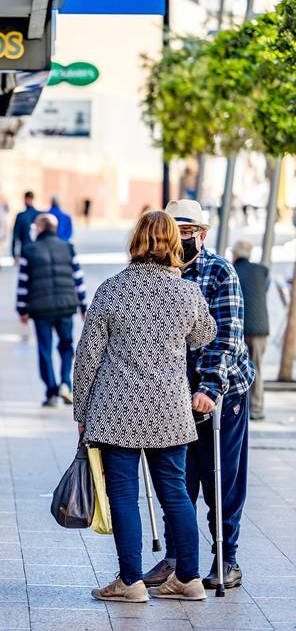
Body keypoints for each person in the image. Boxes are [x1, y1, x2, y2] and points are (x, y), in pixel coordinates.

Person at [74, 211, 215, 604]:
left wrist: (81, 414)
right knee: (176, 493)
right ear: (176, 244)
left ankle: (131, 582)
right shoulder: (186, 292)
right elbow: (205, 334)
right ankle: (189, 578)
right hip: (169, 409)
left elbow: (87, 357)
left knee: (123, 493)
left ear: (135, 240)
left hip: (116, 408)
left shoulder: (112, 289)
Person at [143, 199, 255, 591]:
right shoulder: (158, 275)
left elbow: (225, 339)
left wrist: (209, 386)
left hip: (223, 393)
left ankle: (227, 558)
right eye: (175, 232)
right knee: (178, 479)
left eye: (187, 233)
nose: (180, 240)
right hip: (175, 394)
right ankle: (176, 558)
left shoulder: (220, 272)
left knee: (220, 477)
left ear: (201, 235)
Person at [17, 213, 87, 408]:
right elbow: (78, 279)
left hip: (41, 310)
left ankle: (51, 392)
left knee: (45, 350)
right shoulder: (68, 248)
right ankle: (66, 383)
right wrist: (83, 306)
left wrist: (21, 308)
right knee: (66, 346)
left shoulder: (29, 250)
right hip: (66, 306)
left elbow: (23, 283)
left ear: (40, 228)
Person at [231, 240, 269, 421]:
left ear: (235, 254)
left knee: (238, 369)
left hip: (240, 329)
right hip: (260, 329)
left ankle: (240, 409)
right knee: (258, 368)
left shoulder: (231, 271)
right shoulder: (261, 270)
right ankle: (257, 408)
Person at [11, 191, 40, 258]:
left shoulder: (21, 216)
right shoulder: (39, 215)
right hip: (38, 252)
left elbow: (15, 235)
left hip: (25, 252)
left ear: (26, 199)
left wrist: (14, 254)